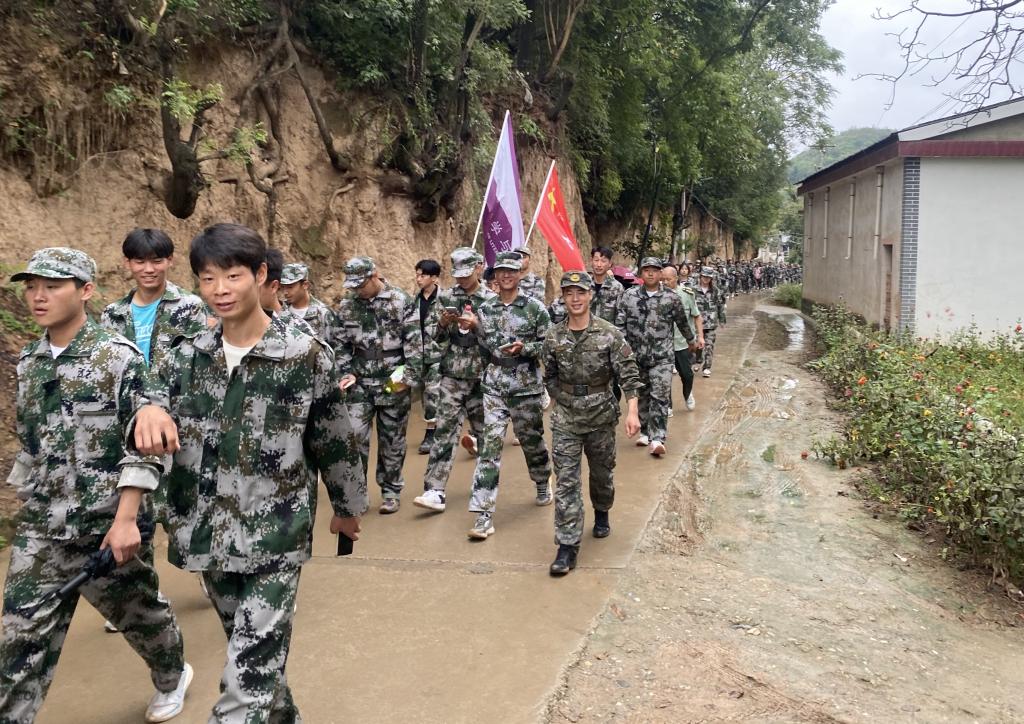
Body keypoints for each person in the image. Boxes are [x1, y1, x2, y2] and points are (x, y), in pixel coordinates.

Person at [141, 223, 366, 722]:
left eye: (233, 276)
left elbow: (334, 439)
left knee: (245, 681)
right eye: (207, 279)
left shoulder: (304, 355)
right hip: (208, 535)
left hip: (275, 536)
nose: (219, 290)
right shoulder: (186, 356)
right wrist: (149, 407)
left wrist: (347, 508)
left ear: (261, 275)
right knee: (258, 665)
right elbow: (146, 394)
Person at [2, 248, 191, 723]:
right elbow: (32, 438)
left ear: (85, 291)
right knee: (18, 639)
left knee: (141, 617)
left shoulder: (117, 357)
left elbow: (145, 444)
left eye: (52, 286)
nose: (38, 296)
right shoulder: (30, 361)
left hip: (106, 523)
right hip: (44, 525)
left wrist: (126, 520)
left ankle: (173, 675)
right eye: (32, 287)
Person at [542, 271, 641, 575]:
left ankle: (602, 510)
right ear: (563, 297)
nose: (575, 299)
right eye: (569, 293)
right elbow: (549, 376)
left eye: (580, 292)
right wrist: (563, 399)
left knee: (601, 474)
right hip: (566, 418)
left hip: (601, 417)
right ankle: (567, 545)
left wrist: (632, 411)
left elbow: (628, 374)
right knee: (566, 481)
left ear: (590, 295)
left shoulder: (610, 334)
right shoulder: (553, 336)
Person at [466, 251, 552, 539]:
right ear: (495, 275)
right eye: (501, 271)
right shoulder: (486, 309)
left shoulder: (535, 308)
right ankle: (483, 514)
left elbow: (548, 345)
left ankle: (541, 479)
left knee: (531, 441)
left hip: (525, 386)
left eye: (511, 271)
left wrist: (525, 349)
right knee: (489, 449)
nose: (505, 275)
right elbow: (482, 346)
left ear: (519, 274)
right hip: (494, 388)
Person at [335, 256, 422, 514]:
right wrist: (345, 372)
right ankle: (357, 495)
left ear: (374, 276)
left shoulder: (400, 300)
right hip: (359, 383)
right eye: (353, 286)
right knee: (353, 436)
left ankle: (391, 491)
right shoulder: (347, 306)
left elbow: (414, 342)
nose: (358, 290)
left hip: (393, 381)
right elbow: (340, 344)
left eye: (361, 284)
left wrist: (409, 377)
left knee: (392, 440)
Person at [413, 248, 494, 512]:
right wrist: (442, 324)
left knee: (486, 435)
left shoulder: (491, 300)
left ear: (478, 268)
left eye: (467, 274)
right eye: (458, 275)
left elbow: (497, 340)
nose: (462, 280)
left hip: (482, 378)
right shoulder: (446, 297)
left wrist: (477, 327)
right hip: (451, 377)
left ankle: (485, 488)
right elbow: (432, 337)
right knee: (444, 432)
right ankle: (434, 490)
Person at [616, 257, 695, 457]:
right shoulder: (629, 296)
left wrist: (691, 340)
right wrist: (622, 351)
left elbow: (682, 321)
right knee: (643, 394)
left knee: (660, 395)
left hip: (662, 357)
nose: (650, 273)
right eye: (646, 270)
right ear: (640, 273)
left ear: (660, 273)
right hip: (637, 356)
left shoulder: (671, 297)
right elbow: (620, 325)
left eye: (654, 270)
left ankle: (658, 437)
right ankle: (645, 431)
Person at [100, 228, 209, 369]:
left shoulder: (190, 307)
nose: (149, 269)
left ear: (170, 260)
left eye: (157, 261)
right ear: (127, 262)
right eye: (140, 262)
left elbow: (201, 361)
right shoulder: (113, 314)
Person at [661, 265, 703, 411]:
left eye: (668, 279)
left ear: (676, 278)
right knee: (664, 377)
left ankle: (687, 394)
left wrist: (700, 337)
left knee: (687, 375)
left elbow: (696, 316)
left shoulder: (686, 294)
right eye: (663, 279)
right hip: (663, 344)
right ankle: (668, 406)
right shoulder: (658, 295)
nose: (665, 282)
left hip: (682, 343)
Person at [412, 259, 443, 454]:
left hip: (438, 355)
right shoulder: (413, 301)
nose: (418, 279)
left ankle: (431, 432)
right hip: (417, 355)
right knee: (424, 393)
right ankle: (440, 426)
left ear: (434, 278)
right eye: (417, 275)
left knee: (433, 392)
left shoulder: (445, 299)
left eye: (422, 275)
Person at [279, 262, 341, 343]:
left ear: (305, 285)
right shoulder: (280, 310)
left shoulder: (323, 313)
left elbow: (337, 346)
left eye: (290, 287)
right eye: (283, 287)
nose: (285, 292)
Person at [694, 266, 727, 377]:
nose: (706, 279)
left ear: (711, 278)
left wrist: (722, 320)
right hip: (697, 324)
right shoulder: (694, 290)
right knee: (698, 345)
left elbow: (720, 305)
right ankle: (698, 360)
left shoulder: (715, 291)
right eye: (704, 276)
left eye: (708, 277)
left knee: (709, 346)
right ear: (700, 276)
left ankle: (707, 367)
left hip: (710, 323)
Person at [589, 246, 625, 324]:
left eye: (603, 261)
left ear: (609, 263)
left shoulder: (617, 288)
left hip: (608, 331)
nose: (599, 264)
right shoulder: (585, 286)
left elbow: (621, 316)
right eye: (596, 260)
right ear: (591, 261)